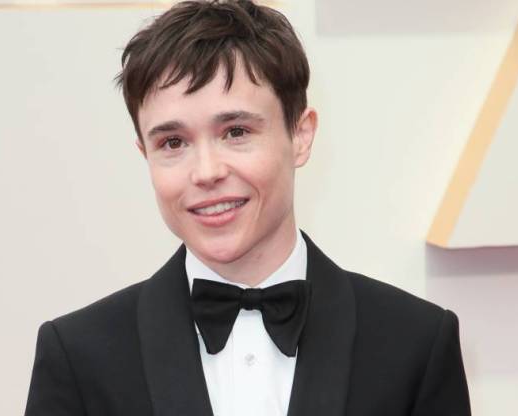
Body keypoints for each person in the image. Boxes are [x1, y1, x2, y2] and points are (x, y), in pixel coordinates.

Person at [25, 1, 471, 415]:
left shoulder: (416, 344)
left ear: (301, 134)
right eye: (173, 142)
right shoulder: (78, 358)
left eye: (235, 132)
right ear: (144, 154)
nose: (206, 171)